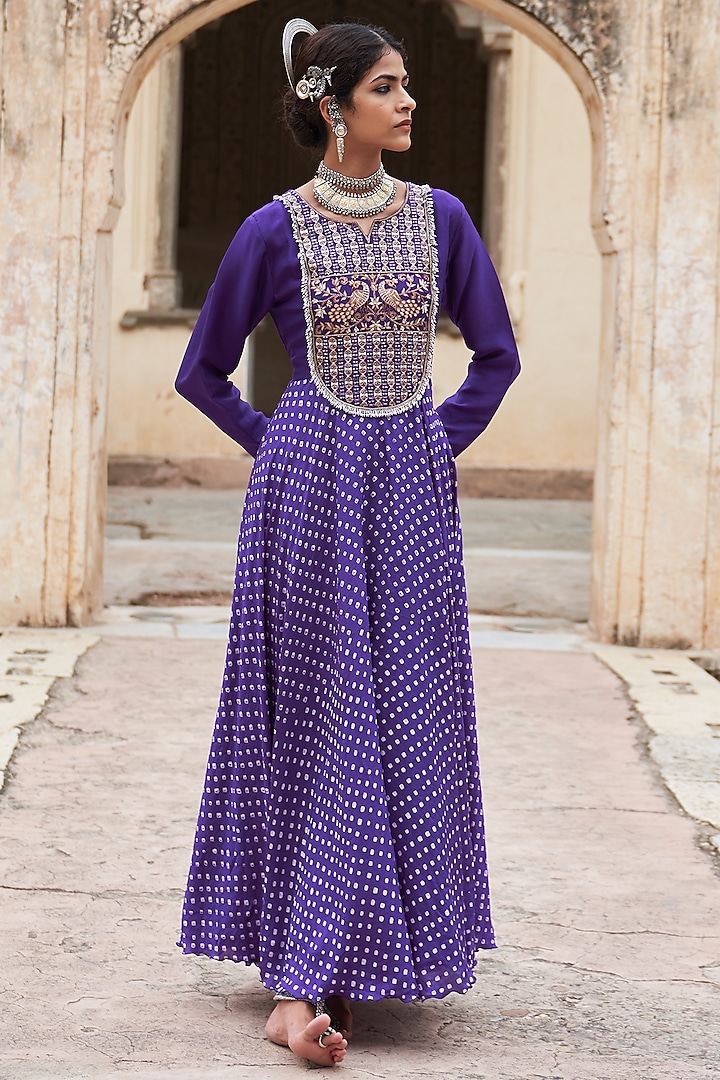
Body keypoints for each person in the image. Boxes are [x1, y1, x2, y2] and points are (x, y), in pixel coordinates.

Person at [175, 17, 520, 1068]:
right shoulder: (270, 232)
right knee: (323, 713)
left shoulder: (444, 220)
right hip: (305, 501)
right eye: (388, 86)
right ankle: (305, 978)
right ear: (335, 106)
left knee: (403, 708)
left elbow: (496, 357)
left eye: (408, 83)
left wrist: (432, 442)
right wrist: (274, 440)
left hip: (410, 502)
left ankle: (358, 960)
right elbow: (203, 370)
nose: (409, 101)